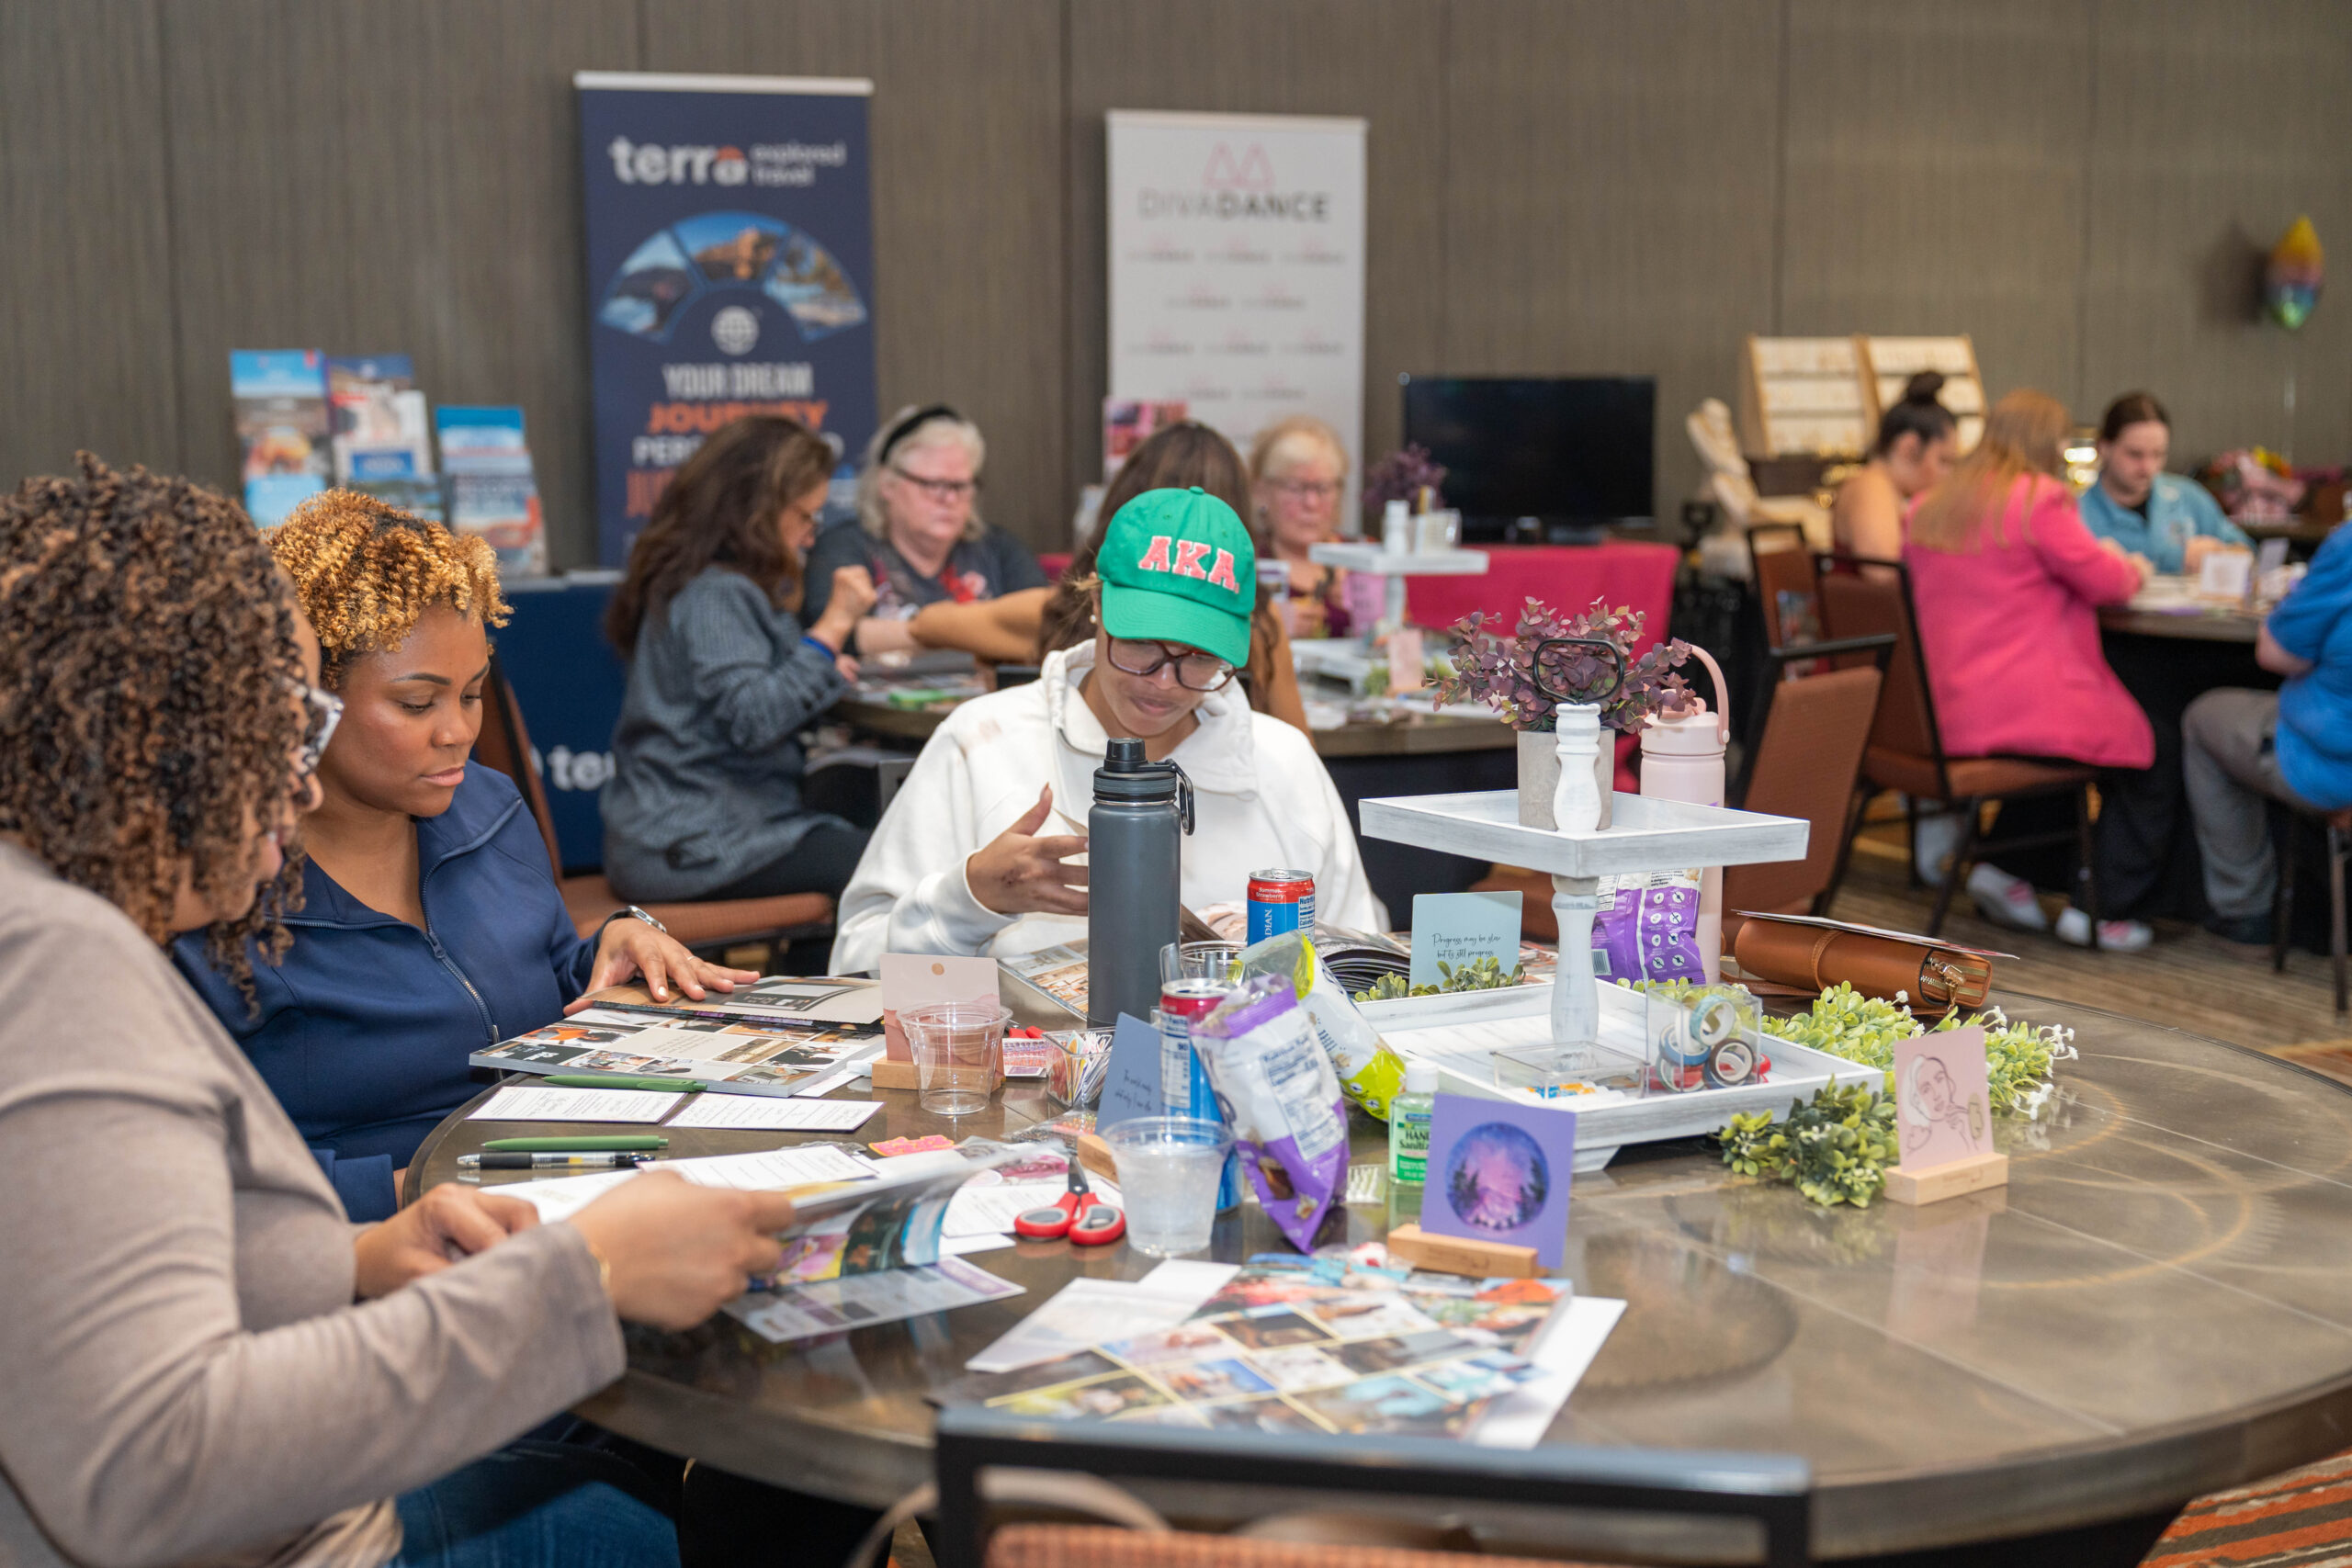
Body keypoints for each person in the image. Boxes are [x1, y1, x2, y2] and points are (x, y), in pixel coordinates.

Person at [0, 455, 797, 1568]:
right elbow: (152, 1470)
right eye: (279, 725)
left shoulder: (51, 915)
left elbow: (108, 1260)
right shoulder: (54, 959)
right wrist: (580, 1278)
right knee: (672, 1527)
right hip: (308, 1533)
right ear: (157, 738)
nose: (299, 780)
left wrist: (357, 1256)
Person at [173, 491, 750, 1224]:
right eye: (418, 704)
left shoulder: (488, 805)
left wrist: (612, 946)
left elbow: (536, 983)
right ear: (303, 700)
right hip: (371, 1232)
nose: (458, 732)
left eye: (473, 694)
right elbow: (195, 1175)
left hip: (557, 1172)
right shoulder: (213, 886)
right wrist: (418, 1191)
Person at [829, 485, 1377, 973]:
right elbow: (855, 964)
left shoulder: (1284, 762)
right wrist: (970, 898)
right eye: (1140, 644)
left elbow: (1364, 964)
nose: (1163, 682)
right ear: (1096, 603)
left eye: (1199, 658)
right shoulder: (982, 740)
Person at [1903, 389, 2158, 952]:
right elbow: (2107, 582)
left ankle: (2006, 870)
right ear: (2048, 444)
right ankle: (2101, 910)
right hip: (2014, 706)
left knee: (2061, 753)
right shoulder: (2038, 499)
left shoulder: (1930, 504)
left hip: (1937, 712)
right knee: (2149, 752)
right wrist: (2135, 566)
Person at [602, 415, 877, 908]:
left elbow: (748, 692)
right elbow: (754, 719)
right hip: (695, 840)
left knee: (866, 826)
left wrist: (815, 668)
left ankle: (816, 953)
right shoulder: (715, 593)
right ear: (757, 511)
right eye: (805, 517)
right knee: (889, 863)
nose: (810, 537)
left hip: (701, 829)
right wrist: (832, 628)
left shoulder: (705, 583)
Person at [2183, 525, 2352, 949]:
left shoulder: (2347, 545)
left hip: (2331, 764)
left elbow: (2275, 654)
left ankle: (2244, 911)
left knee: (2204, 718)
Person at [801, 404, 1046, 641]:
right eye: (933, 484)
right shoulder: (843, 546)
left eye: (960, 486)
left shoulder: (999, 549)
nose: (949, 499)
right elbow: (832, 632)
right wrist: (959, 632)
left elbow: (1043, 621)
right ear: (887, 483)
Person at [2078, 392, 2250, 575]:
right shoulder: (2077, 513)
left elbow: (2247, 552)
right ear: (2103, 448)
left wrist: (2221, 555)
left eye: (2158, 454)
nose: (2148, 467)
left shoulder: (2188, 497)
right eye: (2135, 454)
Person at [1830, 371, 1959, 561]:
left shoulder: (1886, 489)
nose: (1949, 474)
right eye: (1943, 461)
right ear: (1909, 448)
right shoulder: (1872, 488)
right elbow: (1882, 572)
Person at [1249, 414, 1353, 638]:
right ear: (1262, 492)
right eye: (1295, 488)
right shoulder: (1244, 563)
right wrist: (1268, 626)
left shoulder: (1365, 560)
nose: (1311, 503)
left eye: (1323, 488)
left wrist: (1369, 613)